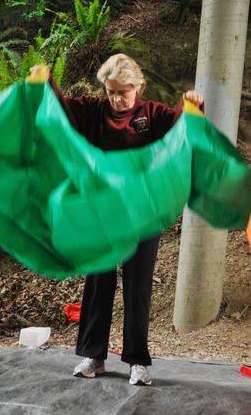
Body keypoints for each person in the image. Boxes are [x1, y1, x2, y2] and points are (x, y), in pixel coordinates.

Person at [31, 53, 204, 386]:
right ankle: (93, 356)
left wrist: (191, 105)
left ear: (139, 87)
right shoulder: (94, 111)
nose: (117, 99)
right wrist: (47, 84)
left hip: (143, 214)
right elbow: (61, 113)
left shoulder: (152, 114)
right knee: (98, 284)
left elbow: (181, 130)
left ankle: (137, 361)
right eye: (111, 91)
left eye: (123, 91)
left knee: (137, 286)